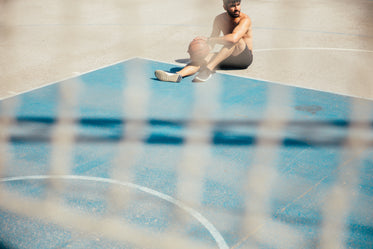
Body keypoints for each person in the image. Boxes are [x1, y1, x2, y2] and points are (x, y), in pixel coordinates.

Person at [155, 0, 253, 83]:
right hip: (228, 57)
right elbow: (212, 43)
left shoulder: (245, 19)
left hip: (244, 58)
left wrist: (209, 39)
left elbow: (233, 39)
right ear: (224, 7)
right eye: (232, 6)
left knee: (235, 40)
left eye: (238, 4)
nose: (237, 8)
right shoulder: (219, 19)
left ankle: (208, 70)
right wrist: (201, 50)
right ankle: (177, 75)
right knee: (201, 58)